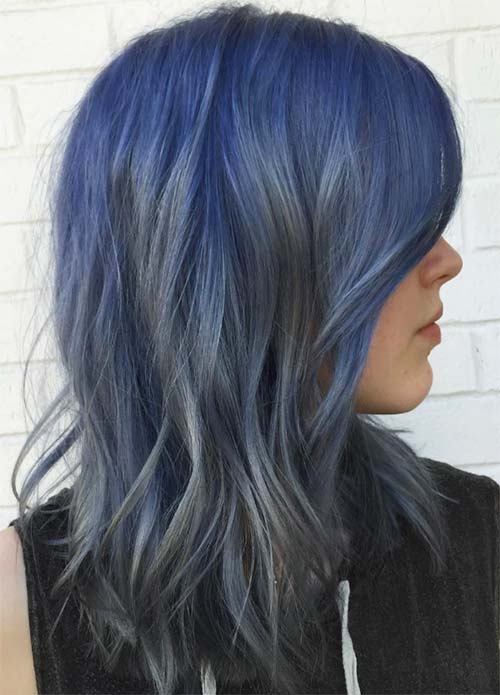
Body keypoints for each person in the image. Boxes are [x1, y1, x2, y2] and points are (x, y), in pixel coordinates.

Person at [1, 3, 499, 694]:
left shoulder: (479, 541)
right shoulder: (23, 609)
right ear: (235, 261)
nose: (446, 261)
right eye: (391, 225)